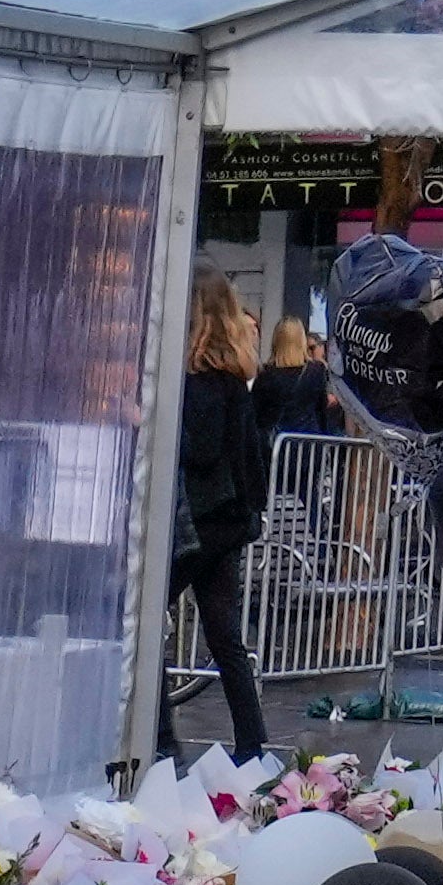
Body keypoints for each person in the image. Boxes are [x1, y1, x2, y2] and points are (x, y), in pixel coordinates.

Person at [168, 283, 306, 760]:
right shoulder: (234, 381)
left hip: (201, 522)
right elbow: (252, 456)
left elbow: (202, 451)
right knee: (225, 634)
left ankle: (162, 736)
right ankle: (252, 741)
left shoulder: (198, 383)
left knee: (147, 625)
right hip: (228, 523)